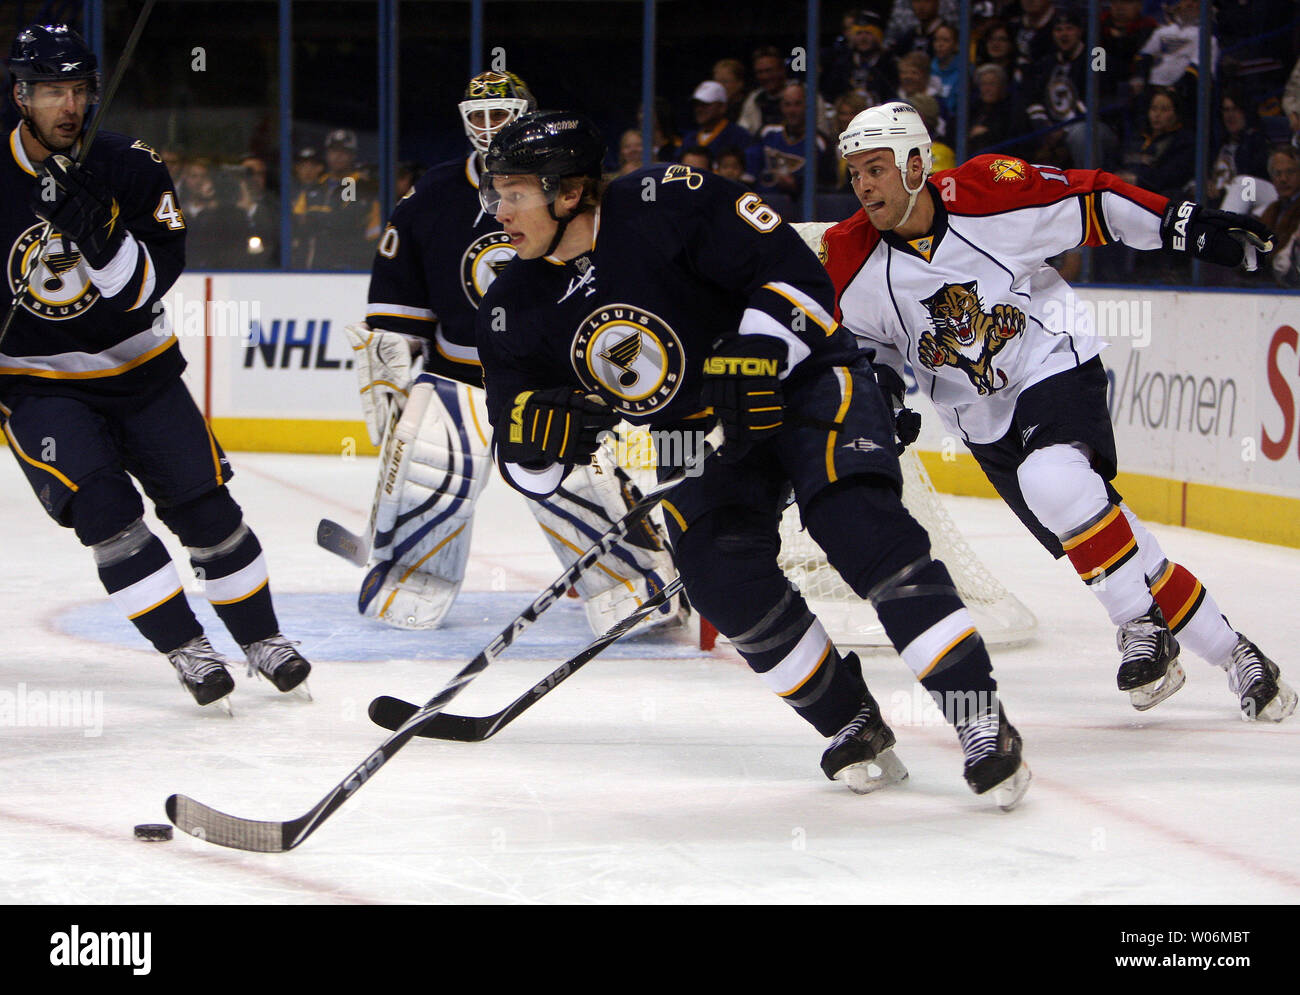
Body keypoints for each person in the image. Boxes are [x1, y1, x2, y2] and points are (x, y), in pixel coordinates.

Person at [472, 109, 1033, 809]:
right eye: (497, 193)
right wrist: (539, 443)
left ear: (569, 190)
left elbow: (795, 275)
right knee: (719, 576)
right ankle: (851, 721)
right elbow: (526, 465)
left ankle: (979, 719)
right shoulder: (510, 304)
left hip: (804, 383)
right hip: (696, 436)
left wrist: (761, 352)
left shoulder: (664, 201)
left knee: (864, 531)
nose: (500, 212)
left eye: (515, 193)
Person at [826, 102, 1293, 723]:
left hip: (1051, 362)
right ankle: (1238, 656)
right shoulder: (848, 254)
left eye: (876, 168)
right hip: (979, 418)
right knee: (1114, 541)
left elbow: (1092, 203)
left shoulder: (988, 190)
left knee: (1053, 482)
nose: (863, 184)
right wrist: (880, 390)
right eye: (854, 172)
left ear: (916, 164)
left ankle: (1136, 626)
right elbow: (868, 340)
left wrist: (1187, 227)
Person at [0, 24, 310, 708]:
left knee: (208, 511)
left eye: (80, 90)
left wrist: (99, 231)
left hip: (140, 373)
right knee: (105, 510)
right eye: (52, 91)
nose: (70, 106)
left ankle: (262, 638)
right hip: (38, 385)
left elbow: (141, 291)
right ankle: (186, 647)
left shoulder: (132, 167)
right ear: (22, 96)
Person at [345, 72, 684, 636]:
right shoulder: (431, 194)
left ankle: (633, 583)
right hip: (458, 372)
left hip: (547, 370)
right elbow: (397, 299)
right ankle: (410, 580)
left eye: (498, 114)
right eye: (475, 116)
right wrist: (390, 366)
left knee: (574, 477)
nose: (485, 127)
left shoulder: (568, 186)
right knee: (430, 463)